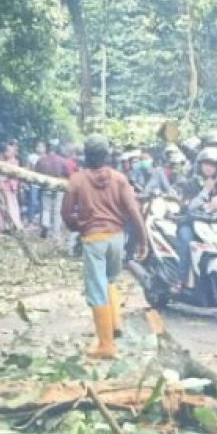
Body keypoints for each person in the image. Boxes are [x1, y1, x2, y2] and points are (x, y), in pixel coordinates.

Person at [62, 134, 147, 359]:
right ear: (107, 155)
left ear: (86, 156)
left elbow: (66, 213)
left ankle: (106, 345)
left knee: (96, 289)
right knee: (109, 281)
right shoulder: (119, 178)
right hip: (116, 238)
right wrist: (142, 239)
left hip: (94, 239)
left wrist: (77, 226)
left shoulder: (77, 180)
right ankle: (115, 323)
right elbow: (133, 210)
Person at [176, 146, 217, 290]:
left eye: (212, 165)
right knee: (186, 241)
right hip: (190, 223)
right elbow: (189, 206)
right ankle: (181, 279)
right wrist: (205, 191)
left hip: (212, 224)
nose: (209, 168)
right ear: (200, 165)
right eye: (206, 164)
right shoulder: (191, 183)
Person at [35, 140, 67, 241]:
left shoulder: (41, 160)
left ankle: (45, 224)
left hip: (46, 186)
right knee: (57, 212)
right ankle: (56, 235)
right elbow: (67, 173)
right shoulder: (62, 161)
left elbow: (36, 174)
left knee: (46, 209)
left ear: (47, 149)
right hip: (58, 187)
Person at [0, 140, 24, 230]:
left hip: (10, 186)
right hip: (3, 186)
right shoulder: (1, 161)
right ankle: (4, 225)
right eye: (7, 151)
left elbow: (13, 175)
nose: (9, 152)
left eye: (10, 151)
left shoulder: (14, 161)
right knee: (3, 205)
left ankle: (15, 223)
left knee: (12, 204)